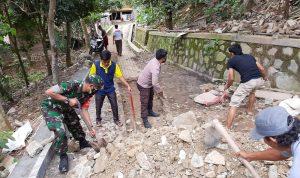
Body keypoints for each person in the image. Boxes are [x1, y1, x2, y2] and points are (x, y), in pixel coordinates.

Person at [40, 75, 104, 173]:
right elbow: (49, 92)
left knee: (75, 123)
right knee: (60, 131)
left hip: (66, 108)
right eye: (95, 88)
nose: (96, 91)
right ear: (91, 85)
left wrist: (90, 127)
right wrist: (68, 100)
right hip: (52, 107)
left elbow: (83, 110)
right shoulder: (70, 85)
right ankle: (63, 155)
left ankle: (82, 142)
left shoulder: (88, 93)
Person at [237, 106, 300, 178]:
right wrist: (249, 156)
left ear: (273, 140)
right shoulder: (294, 137)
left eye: (263, 138)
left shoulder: (296, 174)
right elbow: (282, 152)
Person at [224, 43, 266, 128]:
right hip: (259, 80)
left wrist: (226, 87)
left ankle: (227, 127)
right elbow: (261, 68)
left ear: (232, 53)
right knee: (252, 92)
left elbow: (231, 78)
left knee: (234, 103)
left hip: (248, 82)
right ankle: (249, 111)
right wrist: (264, 77)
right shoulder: (249, 56)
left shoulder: (231, 60)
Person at [89, 50, 131, 127]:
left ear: (110, 59)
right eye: (104, 62)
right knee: (98, 105)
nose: (106, 64)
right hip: (99, 90)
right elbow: (91, 76)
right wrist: (93, 86)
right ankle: (98, 119)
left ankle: (116, 120)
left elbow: (120, 76)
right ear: (101, 60)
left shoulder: (114, 65)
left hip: (110, 88)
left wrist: (127, 85)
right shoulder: (96, 65)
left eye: (107, 61)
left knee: (114, 104)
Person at [137, 49, 167, 128]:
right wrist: (160, 92)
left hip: (148, 84)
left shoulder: (155, 60)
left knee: (150, 98)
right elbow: (155, 83)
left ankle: (150, 111)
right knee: (144, 102)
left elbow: (154, 81)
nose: (166, 58)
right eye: (165, 57)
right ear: (163, 58)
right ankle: (144, 119)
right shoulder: (155, 67)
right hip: (143, 85)